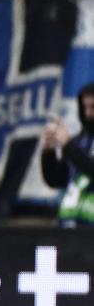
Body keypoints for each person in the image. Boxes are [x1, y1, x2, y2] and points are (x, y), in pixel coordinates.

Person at [41, 82, 94, 227]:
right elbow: (56, 179)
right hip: (70, 228)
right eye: (85, 107)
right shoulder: (78, 142)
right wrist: (48, 152)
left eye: (93, 107)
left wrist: (68, 145)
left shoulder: (72, 146)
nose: (88, 114)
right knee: (44, 248)